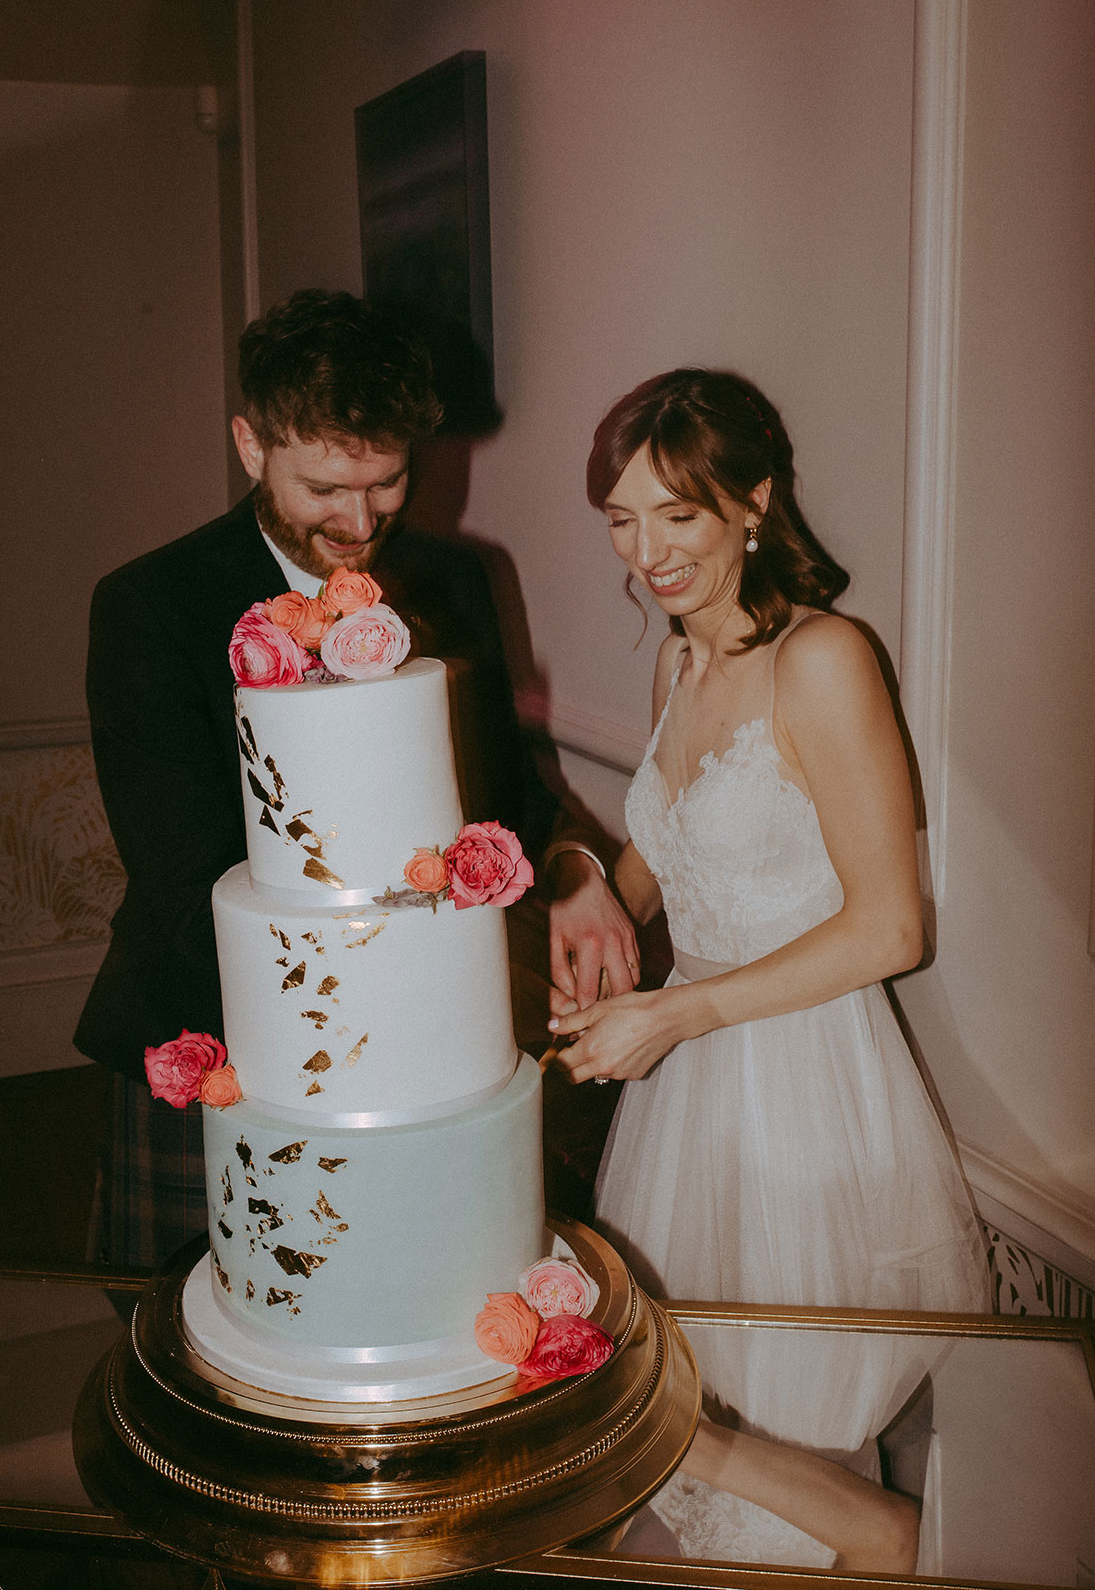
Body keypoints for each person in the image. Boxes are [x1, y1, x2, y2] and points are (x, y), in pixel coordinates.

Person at [547, 368, 990, 1568]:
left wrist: (679, 1011)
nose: (649, 552)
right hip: (686, 1097)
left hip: (799, 1088)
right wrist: (600, 892)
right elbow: (676, 845)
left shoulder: (826, 658)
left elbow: (892, 929)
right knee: (689, 1422)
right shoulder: (680, 664)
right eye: (622, 521)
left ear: (754, 500)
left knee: (781, 1443)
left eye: (677, 515)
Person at [78, 289, 557, 1270]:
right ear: (251, 445)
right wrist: (334, 1026)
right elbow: (180, 865)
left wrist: (573, 869)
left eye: (385, 482)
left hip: (424, 1040)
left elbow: (507, 799)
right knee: (182, 1328)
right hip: (221, 1025)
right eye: (324, 488)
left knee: (402, 1298)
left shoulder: (458, 583)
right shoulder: (148, 605)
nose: (360, 519)